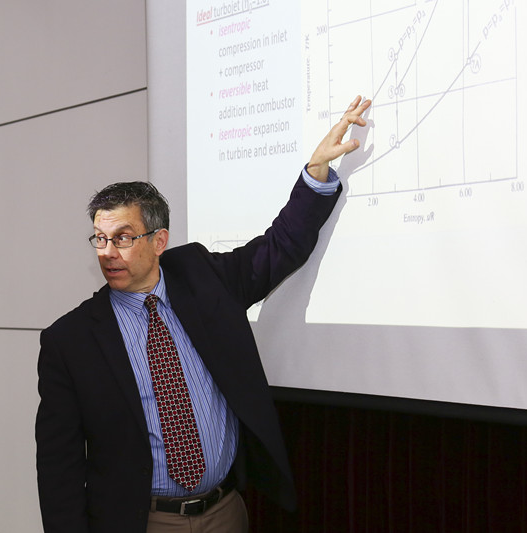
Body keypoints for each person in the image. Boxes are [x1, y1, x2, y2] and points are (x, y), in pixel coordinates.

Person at [35, 96, 372, 533]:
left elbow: (279, 247)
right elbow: (58, 468)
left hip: (224, 512)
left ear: (159, 241)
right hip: (142, 521)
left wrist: (317, 171)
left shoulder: (204, 278)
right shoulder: (71, 341)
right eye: (99, 238)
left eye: (122, 238)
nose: (107, 252)